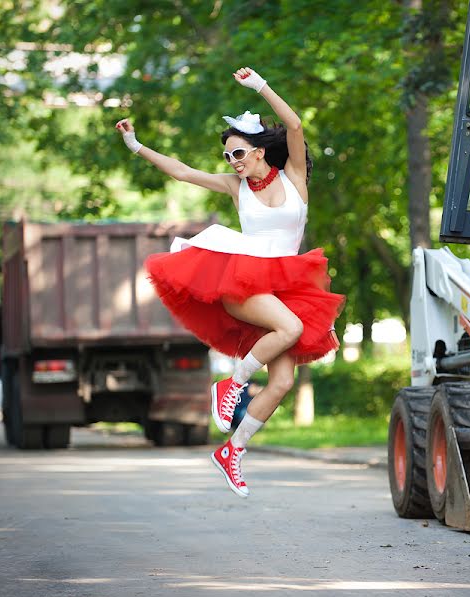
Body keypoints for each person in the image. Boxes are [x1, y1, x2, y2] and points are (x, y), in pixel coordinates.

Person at [115, 66, 344, 496]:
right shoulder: (236, 189)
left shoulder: (296, 180)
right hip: (244, 283)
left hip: (288, 288)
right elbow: (182, 172)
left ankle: (232, 451)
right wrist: (136, 145)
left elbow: (294, 124)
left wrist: (260, 86)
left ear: (259, 152)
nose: (232, 163)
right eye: (228, 157)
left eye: (238, 154)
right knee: (290, 329)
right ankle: (233, 384)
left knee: (281, 383)